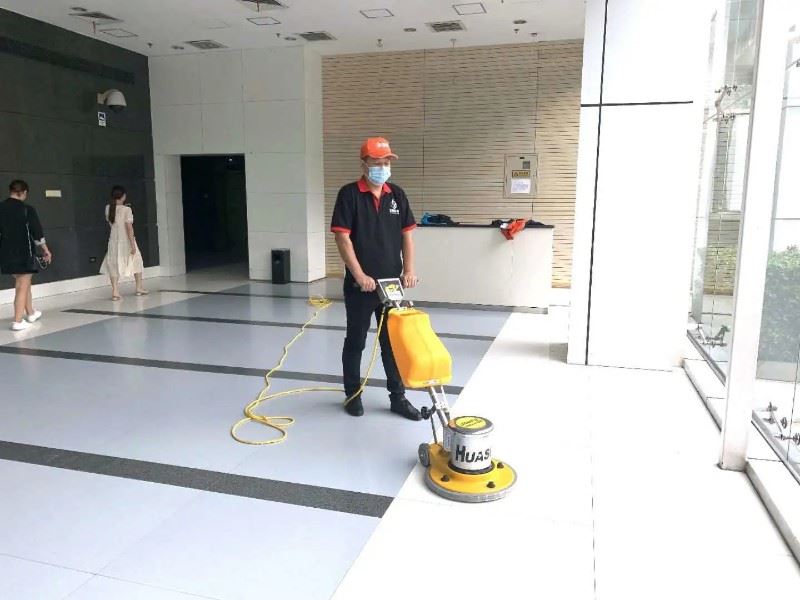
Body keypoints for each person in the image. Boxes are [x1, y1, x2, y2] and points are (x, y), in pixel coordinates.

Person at [330, 137, 422, 420]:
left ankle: (398, 398)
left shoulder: (397, 195)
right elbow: (342, 237)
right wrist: (359, 275)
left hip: (391, 286)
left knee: (392, 344)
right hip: (361, 286)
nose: (382, 167)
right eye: (376, 163)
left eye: (386, 162)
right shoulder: (349, 195)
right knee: (356, 341)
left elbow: (407, 236)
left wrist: (409, 270)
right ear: (364, 164)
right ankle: (353, 395)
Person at [0, 180, 52, 331]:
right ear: (23, 192)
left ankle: (30, 313)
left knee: (25, 281)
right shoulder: (27, 209)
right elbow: (37, 232)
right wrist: (46, 250)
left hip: (6, 252)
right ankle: (17, 321)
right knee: (22, 285)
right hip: (24, 252)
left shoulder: (1, 208)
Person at [100, 185, 147, 300]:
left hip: (113, 240)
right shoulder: (127, 210)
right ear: (123, 196)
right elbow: (129, 227)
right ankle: (139, 287)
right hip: (126, 240)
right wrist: (132, 244)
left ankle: (115, 291)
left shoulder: (108, 208)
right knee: (137, 261)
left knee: (113, 264)